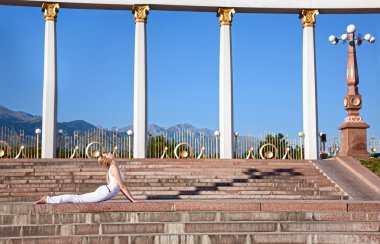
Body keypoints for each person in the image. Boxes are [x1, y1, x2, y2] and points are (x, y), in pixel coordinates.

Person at [34, 153, 137, 204]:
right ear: (108, 160)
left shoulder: (113, 167)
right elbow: (122, 186)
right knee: (77, 199)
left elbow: (120, 186)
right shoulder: (113, 168)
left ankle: (48, 199)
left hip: (106, 192)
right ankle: (47, 199)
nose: (110, 153)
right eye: (107, 154)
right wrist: (133, 200)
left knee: (78, 199)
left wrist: (131, 200)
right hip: (105, 192)